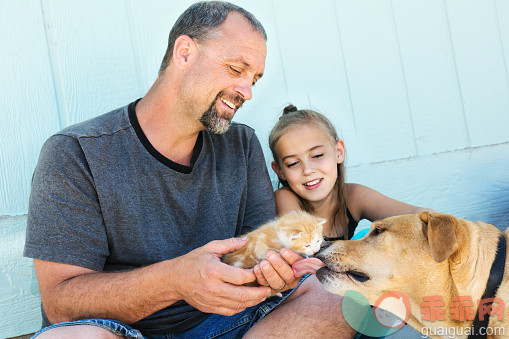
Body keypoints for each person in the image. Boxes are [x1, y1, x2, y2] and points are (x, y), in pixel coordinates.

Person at [25, 2, 355, 338]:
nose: (248, 92)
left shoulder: (242, 145)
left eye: (254, 78)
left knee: (338, 301)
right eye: (235, 69)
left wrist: (278, 271)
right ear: (184, 53)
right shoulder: (75, 153)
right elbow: (60, 303)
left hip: (230, 321)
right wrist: (175, 281)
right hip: (122, 330)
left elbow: (259, 253)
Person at [268, 104, 435, 242]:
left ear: (339, 151)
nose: (308, 170)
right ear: (280, 171)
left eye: (317, 155)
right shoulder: (283, 199)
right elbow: (301, 248)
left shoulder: (353, 196)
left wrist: (438, 223)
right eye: (293, 163)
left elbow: (417, 215)